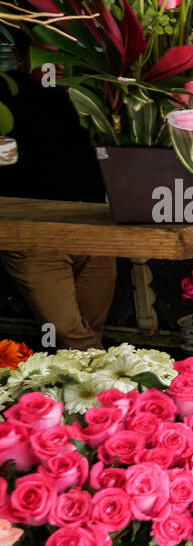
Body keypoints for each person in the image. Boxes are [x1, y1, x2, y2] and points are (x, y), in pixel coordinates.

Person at [0, 53, 115, 350]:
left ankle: (74, 393)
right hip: (32, 236)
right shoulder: (5, 90)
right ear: (20, 56)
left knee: (90, 329)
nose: (55, 61)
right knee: (68, 332)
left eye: (61, 49)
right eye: (44, 50)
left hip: (94, 230)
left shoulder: (90, 93)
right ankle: (121, 386)